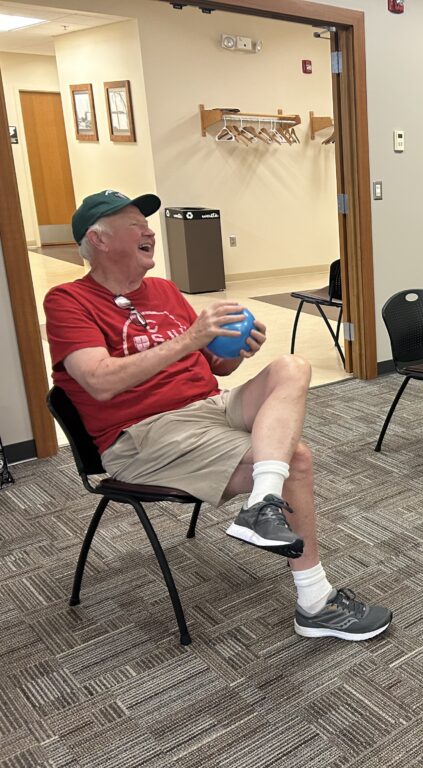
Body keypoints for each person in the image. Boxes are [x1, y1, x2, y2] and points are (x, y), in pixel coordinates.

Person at [44, 189, 391, 641]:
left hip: (209, 408)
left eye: (146, 223)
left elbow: (211, 366)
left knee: (292, 366)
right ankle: (314, 601)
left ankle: (262, 502)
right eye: (134, 224)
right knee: (297, 460)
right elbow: (100, 381)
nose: (149, 229)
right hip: (142, 435)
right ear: (99, 239)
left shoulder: (165, 290)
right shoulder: (68, 301)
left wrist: (237, 354)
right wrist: (190, 338)